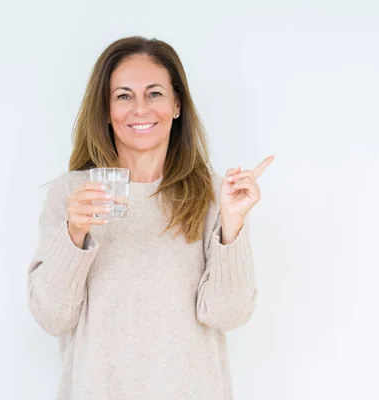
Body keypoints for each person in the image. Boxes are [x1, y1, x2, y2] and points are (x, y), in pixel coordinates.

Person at [27, 36, 274, 400]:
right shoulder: (72, 193)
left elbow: (227, 315)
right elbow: (52, 318)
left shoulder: (215, 194)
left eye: (154, 93)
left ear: (176, 104)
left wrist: (231, 227)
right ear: (106, 109)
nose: (140, 109)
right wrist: (74, 234)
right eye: (124, 95)